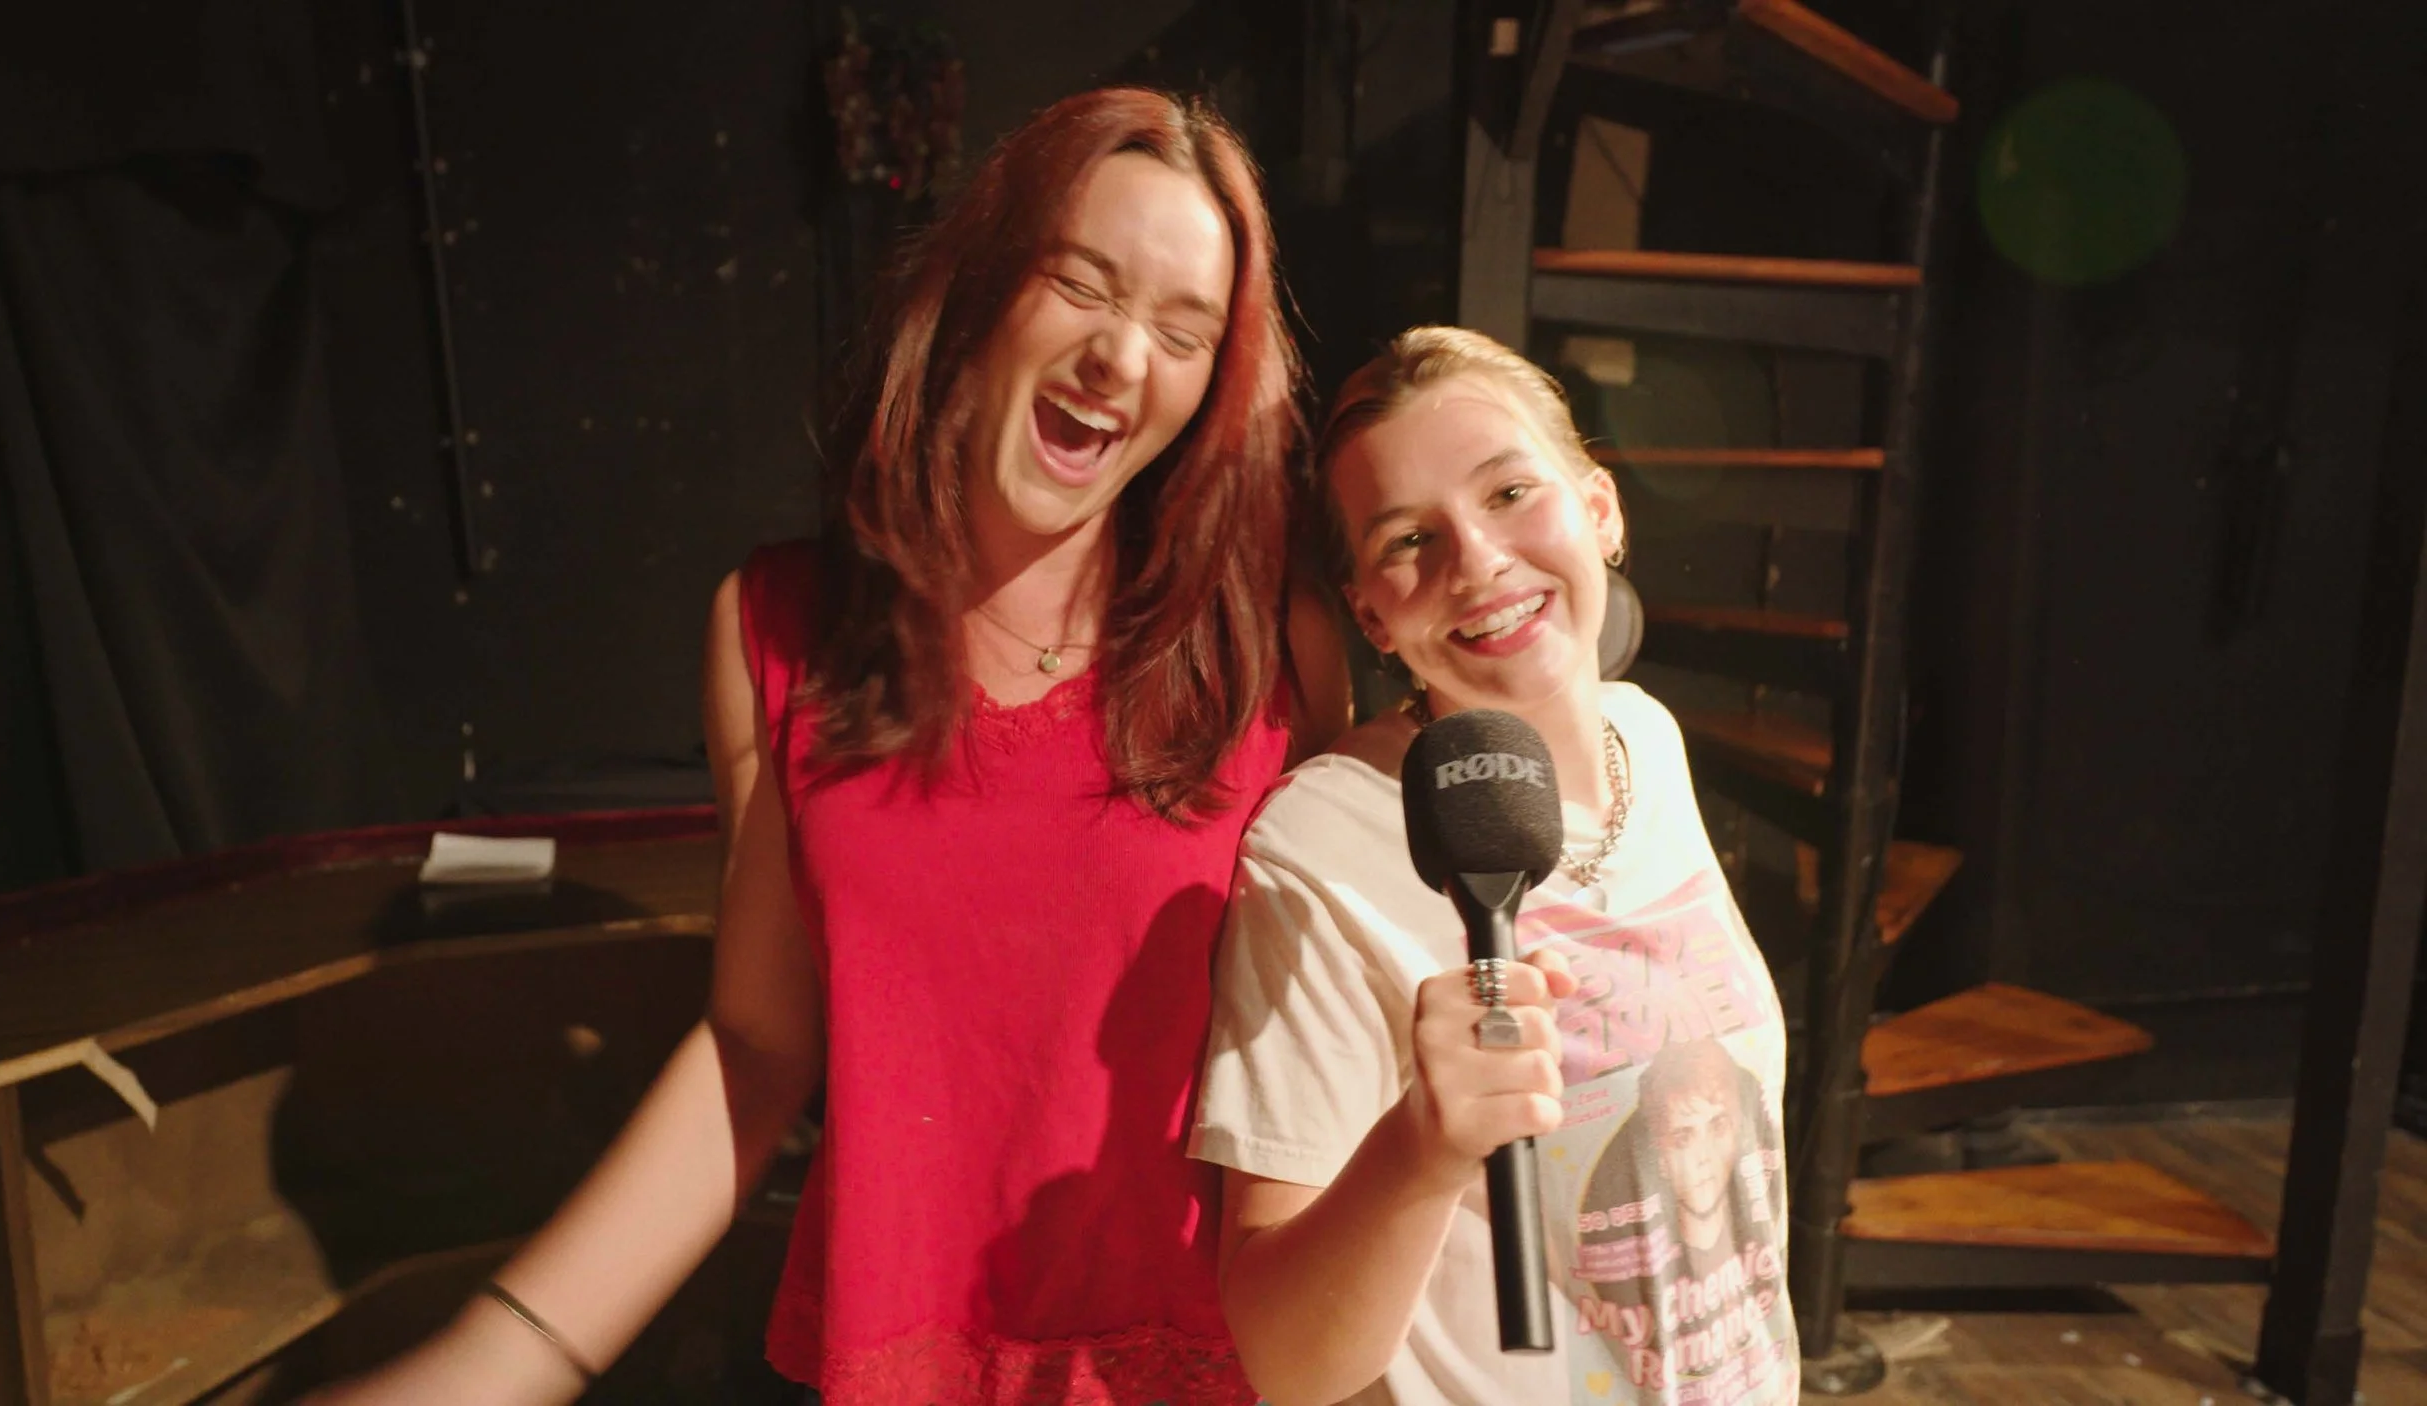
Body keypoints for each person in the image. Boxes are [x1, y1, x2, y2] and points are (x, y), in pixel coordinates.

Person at [313, 87, 1343, 1406]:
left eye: (1182, 331)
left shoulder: (1271, 647)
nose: (1122, 360)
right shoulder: (780, 630)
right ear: (976, 288)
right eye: (1082, 283)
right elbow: (754, 1048)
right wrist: (497, 1359)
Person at [1192, 325, 1796, 1405]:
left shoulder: (1646, 738)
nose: (1475, 560)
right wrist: (1419, 1149)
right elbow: (1284, 1363)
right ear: (1372, 615)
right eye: (1406, 540)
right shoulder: (1321, 847)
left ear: (1600, 509)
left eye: (1511, 491)